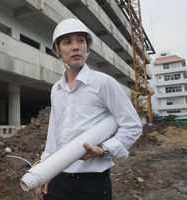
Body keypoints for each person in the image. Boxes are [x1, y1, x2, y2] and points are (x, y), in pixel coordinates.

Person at [36, 18, 142, 200]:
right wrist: (43, 171)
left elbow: (133, 126)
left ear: (87, 46)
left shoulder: (103, 83)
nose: (75, 47)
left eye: (80, 40)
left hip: (92, 185)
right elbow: (53, 134)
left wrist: (103, 150)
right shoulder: (56, 89)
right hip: (57, 180)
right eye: (67, 42)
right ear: (57, 51)